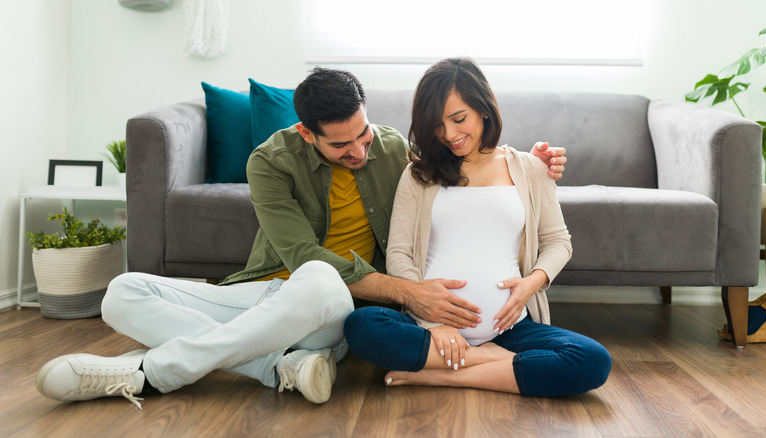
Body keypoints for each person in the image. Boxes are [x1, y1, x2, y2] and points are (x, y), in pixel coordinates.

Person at [34, 67, 568, 409]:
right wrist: (408, 292)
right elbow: (298, 254)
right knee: (122, 291)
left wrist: (535, 162)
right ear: (306, 134)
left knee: (320, 280)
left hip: (332, 308)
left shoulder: (391, 152)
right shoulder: (268, 162)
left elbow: (463, 165)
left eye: (363, 132)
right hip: (268, 291)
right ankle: (276, 367)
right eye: (341, 144)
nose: (360, 150)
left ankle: (150, 374)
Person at [344, 57, 611, 396]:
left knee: (591, 360)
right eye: (438, 126)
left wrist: (531, 284)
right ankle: (494, 366)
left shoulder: (530, 168)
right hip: (428, 327)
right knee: (362, 328)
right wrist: (434, 321)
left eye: (459, 119)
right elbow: (399, 253)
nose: (450, 135)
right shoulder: (418, 175)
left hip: (510, 328)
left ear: (484, 108)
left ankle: (446, 373)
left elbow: (558, 241)